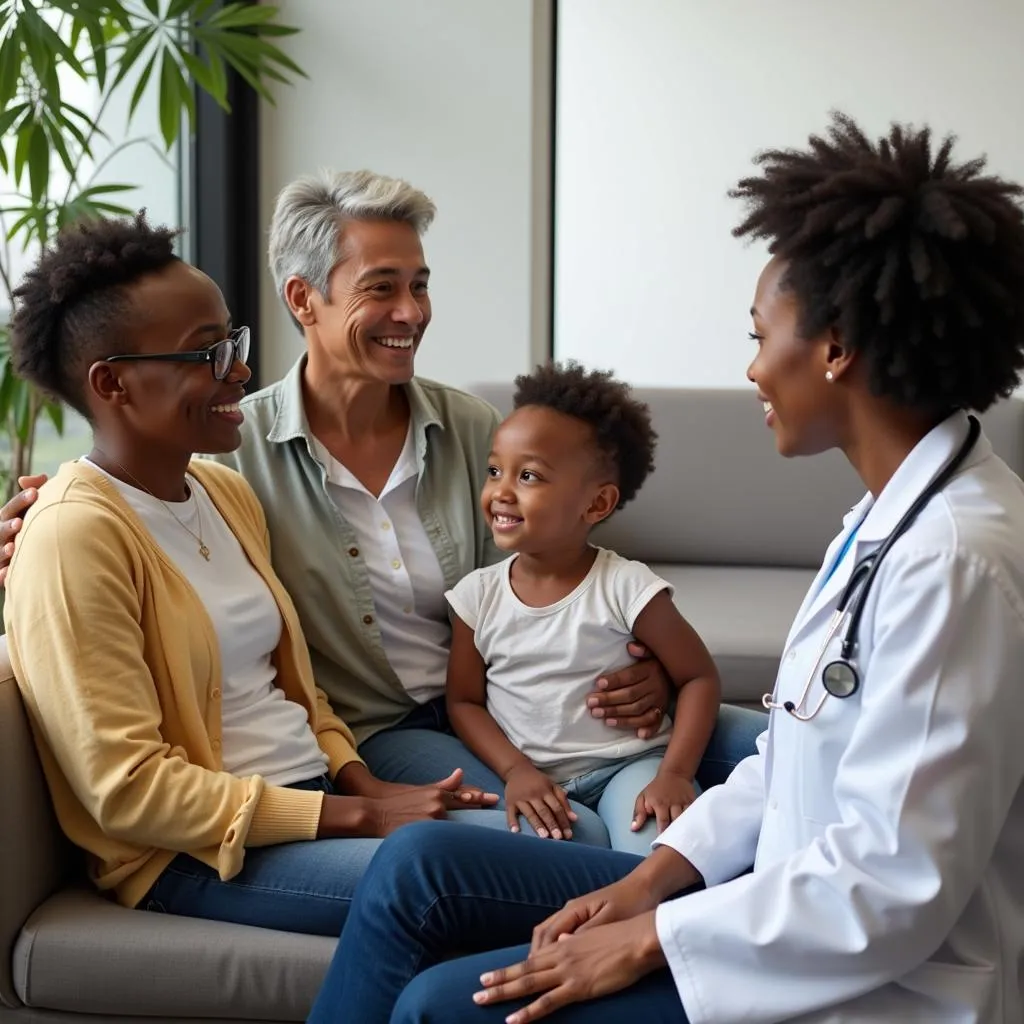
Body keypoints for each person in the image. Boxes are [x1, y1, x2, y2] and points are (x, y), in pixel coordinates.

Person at [306, 112, 1024, 1023]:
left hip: (868, 987)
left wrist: (648, 938)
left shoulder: (953, 560)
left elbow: (891, 888)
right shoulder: (888, 525)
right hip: (793, 922)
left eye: (762, 336)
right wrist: (650, 883)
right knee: (439, 936)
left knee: (444, 1008)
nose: (754, 370)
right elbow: (788, 758)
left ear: (837, 349)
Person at [0, 169, 767, 808]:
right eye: (382, 288)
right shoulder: (235, 462)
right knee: (558, 835)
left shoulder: (473, 429)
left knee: (767, 746)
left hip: (524, 706)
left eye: (420, 285)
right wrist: (28, 523)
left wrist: (654, 664)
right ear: (304, 301)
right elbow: (121, 511)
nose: (412, 312)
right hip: (385, 735)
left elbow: (572, 556)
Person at [2, 213, 508, 937]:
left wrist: (361, 780)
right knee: (474, 884)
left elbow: (296, 690)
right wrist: (361, 815)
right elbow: (128, 791)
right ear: (112, 383)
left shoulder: (224, 493)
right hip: (198, 854)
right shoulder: (75, 533)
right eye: (205, 354)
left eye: (230, 341)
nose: (240, 369)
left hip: (319, 794)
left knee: (545, 852)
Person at [446, 361, 720, 852]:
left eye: (528, 475)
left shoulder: (626, 587)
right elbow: (464, 701)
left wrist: (675, 774)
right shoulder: (476, 597)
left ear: (596, 505)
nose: (501, 491)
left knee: (657, 855)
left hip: (629, 767)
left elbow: (698, 677)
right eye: (494, 470)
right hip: (534, 780)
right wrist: (515, 771)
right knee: (549, 868)